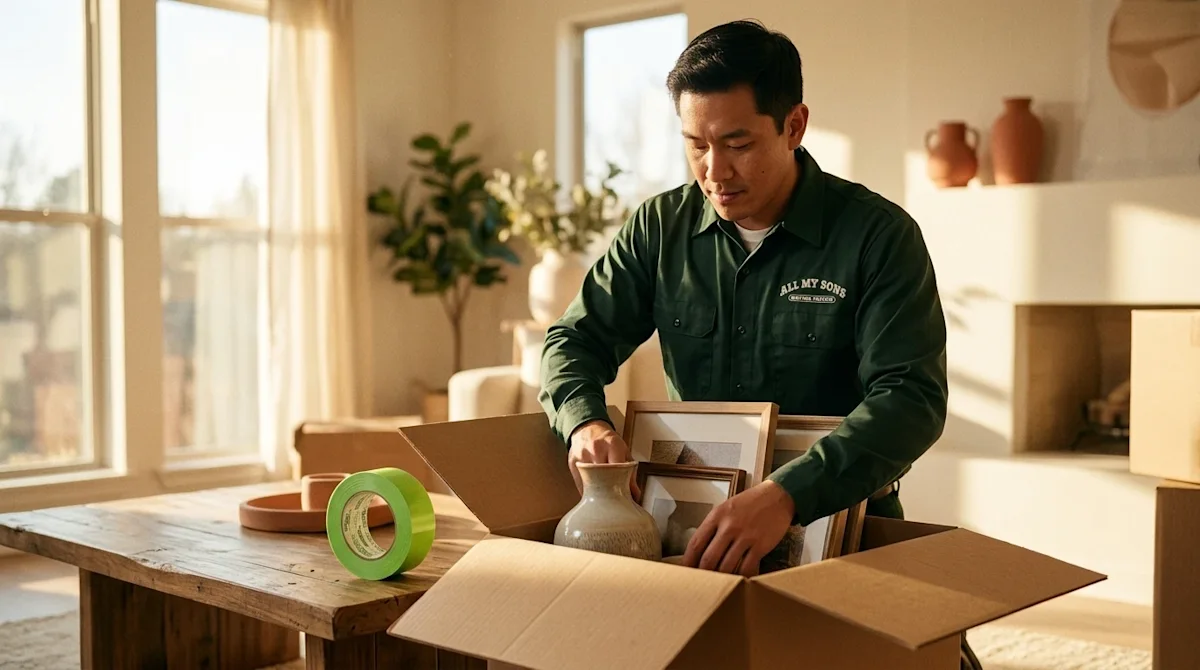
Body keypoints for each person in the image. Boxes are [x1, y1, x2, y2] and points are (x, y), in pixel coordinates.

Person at [538, 19, 981, 669]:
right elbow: (572, 340)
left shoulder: (879, 237)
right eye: (695, 145)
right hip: (694, 546)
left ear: (794, 125)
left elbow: (911, 399)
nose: (714, 171)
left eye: (737, 143)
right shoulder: (659, 229)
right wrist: (584, 424)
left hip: (849, 537)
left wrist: (788, 495)